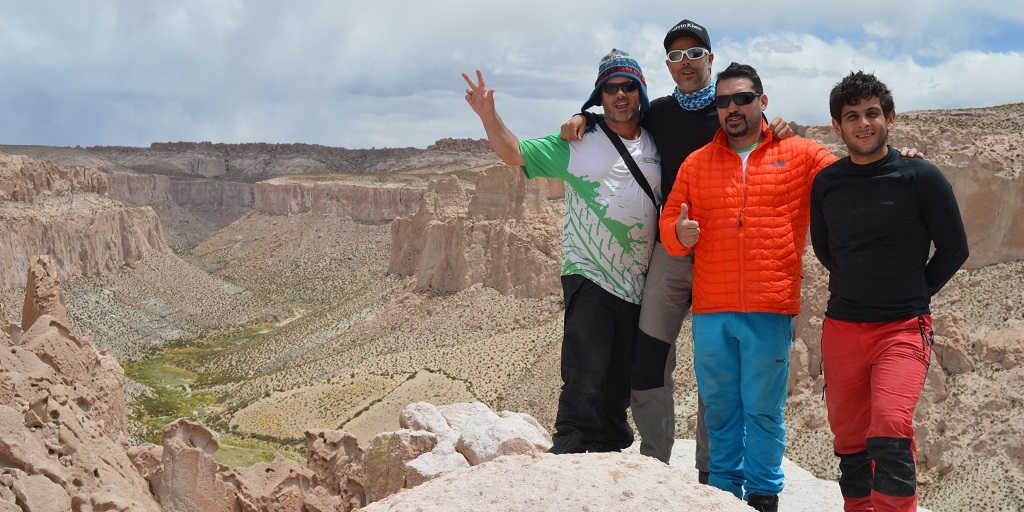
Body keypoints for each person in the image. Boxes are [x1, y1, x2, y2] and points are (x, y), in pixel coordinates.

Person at [560, 19, 792, 480]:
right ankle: (654, 466)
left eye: (693, 53)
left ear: (710, 56)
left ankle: (711, 471)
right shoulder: (660, 113)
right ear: (667, 66)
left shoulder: (735, 110)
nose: (684, 63)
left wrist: (783, 125)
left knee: (715, 367)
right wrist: (582, 116)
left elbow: (778, 149)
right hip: (670, 250)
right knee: (648, 357)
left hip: (723, 253)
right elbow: (618, 116)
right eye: (674, 56)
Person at [659, 62, 839, 512]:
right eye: (723, 101)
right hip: (712, 311)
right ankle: (723, 495)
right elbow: (668, 222)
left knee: (763, 410)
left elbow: (852, 177)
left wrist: (902, 161)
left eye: (742, 98)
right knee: (720, 410)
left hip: (769, 306)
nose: (732, 108)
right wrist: (677, 236)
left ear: (763, 101)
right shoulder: (697, 163)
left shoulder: (799, 154)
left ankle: (762, 495)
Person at [462, 49, 662, 454]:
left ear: (640, 91)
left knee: (618, 376)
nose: (620, 95)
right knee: (585, 368)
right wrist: (488, 116)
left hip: (638, 281)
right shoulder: (579, 141)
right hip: (589, 272)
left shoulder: (657, 138)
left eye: (627, 86)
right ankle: (570, 445)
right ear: (599, 95)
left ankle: (609, 445)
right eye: (611, 88)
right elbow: (514, 152)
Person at [810, 71, 969, 512]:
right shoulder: (827, 183)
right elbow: (825, 249)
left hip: (901, 327)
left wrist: (915, 290)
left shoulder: (920, 176)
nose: (864, 124)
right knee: (849, 440)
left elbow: (955, 248)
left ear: (890, 117)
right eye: (853, 116)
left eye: (873, 113)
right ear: (838, 126)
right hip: (842, 329)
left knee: (891, 428)